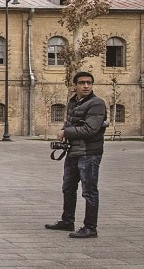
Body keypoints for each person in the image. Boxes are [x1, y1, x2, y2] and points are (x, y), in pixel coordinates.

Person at [45, 71, 107, 239]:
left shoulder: (97, 104)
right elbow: (73, 123)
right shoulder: (73, 102)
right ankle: (67, 221)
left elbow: (90, 129)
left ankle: (90, 228)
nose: (86, 86)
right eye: (82, 83)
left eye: (89, 83)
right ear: (75, 86)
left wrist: (66, 132)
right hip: (73, 151)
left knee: (89, 191)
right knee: (68, 188)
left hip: (89, 153)